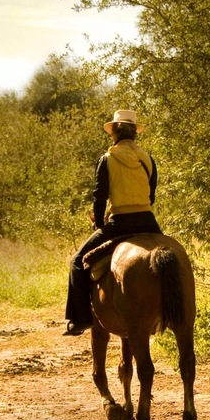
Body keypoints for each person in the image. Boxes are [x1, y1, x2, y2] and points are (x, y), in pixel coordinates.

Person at [63, 109, 161, 336]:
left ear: (115, 133)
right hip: (148, 222)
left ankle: (81, 320)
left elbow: (100, 196)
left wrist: (100, 224)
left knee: (77, 262)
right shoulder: (148, 159)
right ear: (135, 133)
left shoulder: (106, 160)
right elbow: (151, 196)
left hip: (120, 222)